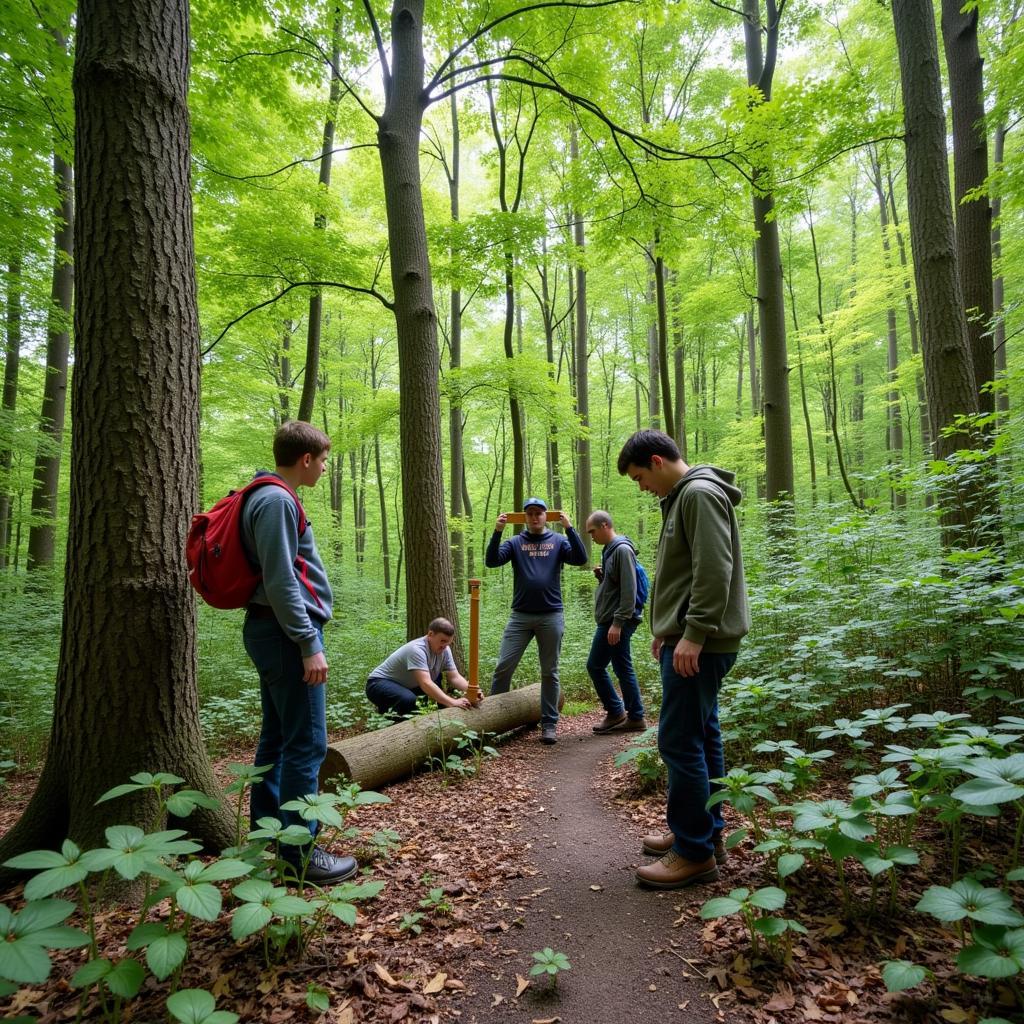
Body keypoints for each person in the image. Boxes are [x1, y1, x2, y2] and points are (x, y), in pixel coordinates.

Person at [617, 429, 750, 890]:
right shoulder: (684, 497)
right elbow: (685, 573)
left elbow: (715, 569)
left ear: (656, 461)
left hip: (704, 642)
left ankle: (693, 852)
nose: (641, 486)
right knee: (702, 734)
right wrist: (669, 630)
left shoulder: (698, 494)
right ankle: (703, 832)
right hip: (691, 638)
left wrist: (692, 634)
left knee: (678, 741)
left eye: (639, 477)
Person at [241, 420, 358, 885]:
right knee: (306, 744)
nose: (326, 467)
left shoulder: (268, 495)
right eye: (324, 459)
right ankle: (299, 855)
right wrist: (309, 642)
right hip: (289, 637)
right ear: (305, 459)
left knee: (276, 739)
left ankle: (268, 835)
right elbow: (281, 580)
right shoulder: (274, 501)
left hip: (275, 632)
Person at [487, 497, 588, 744]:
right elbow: (491, 561)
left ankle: (549, 724)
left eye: (539, 513)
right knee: (503, 667)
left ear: (545, 516)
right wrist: (497, 532)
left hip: (551, 615)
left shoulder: (558, 541)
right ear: (524, 517)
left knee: (549, 671)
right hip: (520, 616)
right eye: (530, 513)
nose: (534, 517)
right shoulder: (515, 542)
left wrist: (570, 529)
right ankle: (491, 724)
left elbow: (580, 558)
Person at [585, 510, 647, 734]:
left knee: (595, 665)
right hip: (613, 618)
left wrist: (618, 623)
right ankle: (634, 716)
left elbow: (629, 590)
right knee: (621, 665)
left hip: (616, 620)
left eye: (592, 531)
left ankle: (617, 711)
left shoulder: (621, 550)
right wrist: (603, 577)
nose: (591, 536)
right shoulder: (609, 551)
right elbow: (617, 584)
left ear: (604, 526)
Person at [366, 618, 483, 716]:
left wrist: (472, 691)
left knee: (433, 690)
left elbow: (454, 677)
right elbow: (425, 683)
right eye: (442, 641)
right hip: (377, 684)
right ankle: (394, 725)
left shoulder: (445, 650)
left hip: (406, 685)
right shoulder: (416, 649)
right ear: (430, 634)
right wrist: (452, 702)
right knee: (408, 700)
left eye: (448, 642)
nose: (445, 646)